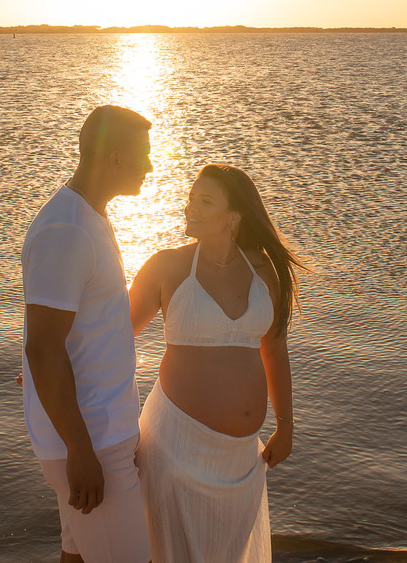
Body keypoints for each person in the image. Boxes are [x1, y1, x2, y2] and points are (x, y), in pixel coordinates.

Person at [129, 164, 306, 563]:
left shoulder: (263, 270)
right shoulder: (166, 266)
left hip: (242, 458)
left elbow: (274, 350)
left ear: (235, 216)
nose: (190, 206)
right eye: (192, 197)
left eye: (205, 201)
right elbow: (115, 331)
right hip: (174, 446)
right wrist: (54, 360)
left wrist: (286, 425)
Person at [22, 105, 155, 563]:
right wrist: (80, 450)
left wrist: (41, 376)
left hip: (94, 432)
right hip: (90, 441)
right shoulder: (68, 230)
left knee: (76, 556)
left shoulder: (89, 216)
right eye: (143, 155)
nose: (151, 166)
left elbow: (59, 337)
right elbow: (42, 346)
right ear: (115, 158)